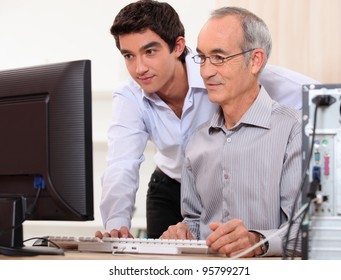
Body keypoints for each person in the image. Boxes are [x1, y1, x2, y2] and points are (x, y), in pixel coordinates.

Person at [97, 0, 314, 240]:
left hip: (225, 178)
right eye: (128, 55)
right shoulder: (131, 97)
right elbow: (121, 164)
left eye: (150, 52)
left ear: (178, 47)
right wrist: (116, 226)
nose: (139, 69)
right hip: (171, 182)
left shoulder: (222, 72)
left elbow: (305, 93)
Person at [160, 7, 302, 258]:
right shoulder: (198, 140)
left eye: (219, 57)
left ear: (255, 60)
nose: (205, 72)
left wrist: (258, 240)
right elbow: (195, 221)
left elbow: (306, 228)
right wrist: (182, 231)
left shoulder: (294, 130)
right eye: (202, 57)